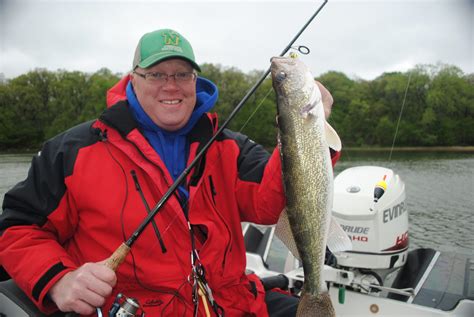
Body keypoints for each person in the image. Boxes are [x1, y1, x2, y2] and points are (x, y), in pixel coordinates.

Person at [0, 29, 338, 316]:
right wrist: (60, 279)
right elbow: (18, 229)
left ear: (196, 80)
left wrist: (310, 131)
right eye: (157, 74)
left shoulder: (229, 147)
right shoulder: (71, 151)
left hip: (231, 304)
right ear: (133, 78)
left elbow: (271, 204)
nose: (171, 86)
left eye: (182, 74)